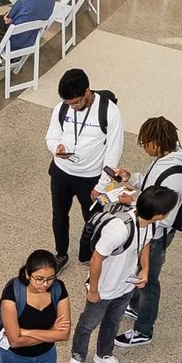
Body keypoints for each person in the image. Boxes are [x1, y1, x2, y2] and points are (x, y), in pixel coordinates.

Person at [65, 186, 164, 363]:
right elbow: (96, 259)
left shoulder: (150, 224)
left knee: (113, 322)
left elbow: (145, 244)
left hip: (125, 286)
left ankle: (104, 355)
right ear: (159, 214)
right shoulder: (118, 228)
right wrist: (93, 290)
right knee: (88, 324)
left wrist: (144, 269)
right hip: (103, 288)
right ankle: (77, 358)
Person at [122, 118, 182, 347]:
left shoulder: (175, 176)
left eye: (145, 143)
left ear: (156, 142)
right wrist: (132, 179)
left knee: (149, 280)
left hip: (156, 235)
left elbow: (166, 215)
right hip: (150, 231)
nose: (144, 147)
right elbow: (151, 185)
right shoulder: (165, 159)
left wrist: (134, 202)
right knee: (141, 272)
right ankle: (135, 306)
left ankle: (143, 330)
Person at [45, 68, 125, 258]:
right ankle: (61, 253)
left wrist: (102, 185)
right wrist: (56, 148)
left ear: (87, 92)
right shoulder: (61, 107)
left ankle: (89, 252)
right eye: (68, 103)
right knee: (59, 216)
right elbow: (51, 136)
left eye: (76, 102)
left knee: (94, 219)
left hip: (91, 178)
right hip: (62, 172)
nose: (72, 107)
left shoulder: (110, 112)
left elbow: (113, 154)